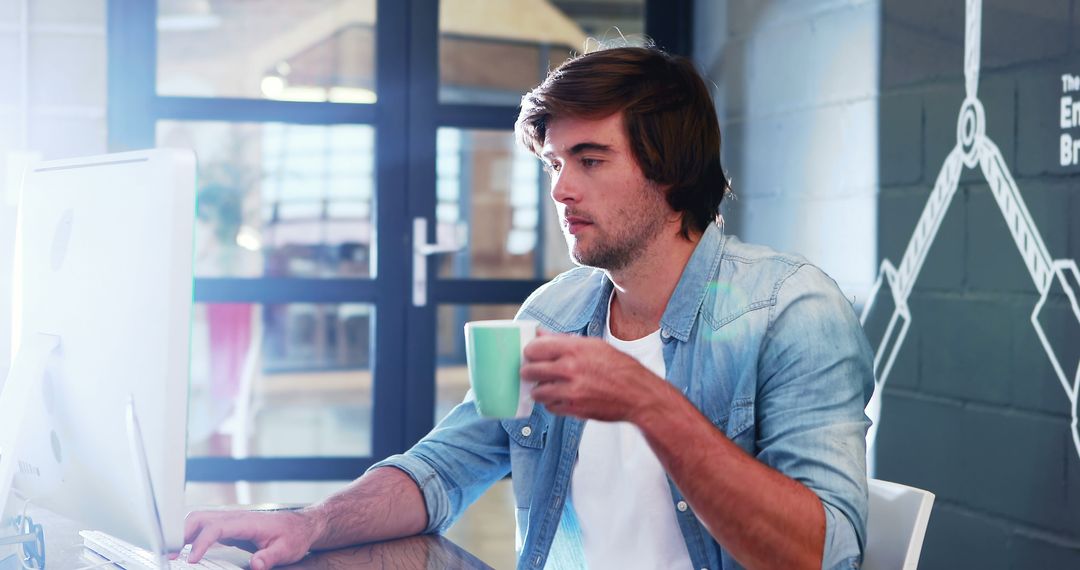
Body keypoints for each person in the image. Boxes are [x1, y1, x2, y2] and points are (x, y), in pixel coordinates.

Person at [182, 45, 874, 570]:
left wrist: (649, 403)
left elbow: (825, 553)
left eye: (591, 160)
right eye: (553, 164)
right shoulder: (556, 310)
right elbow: (442, 469)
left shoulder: (791, 311)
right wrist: (311, 524)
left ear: (670, 168)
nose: (561, 190)